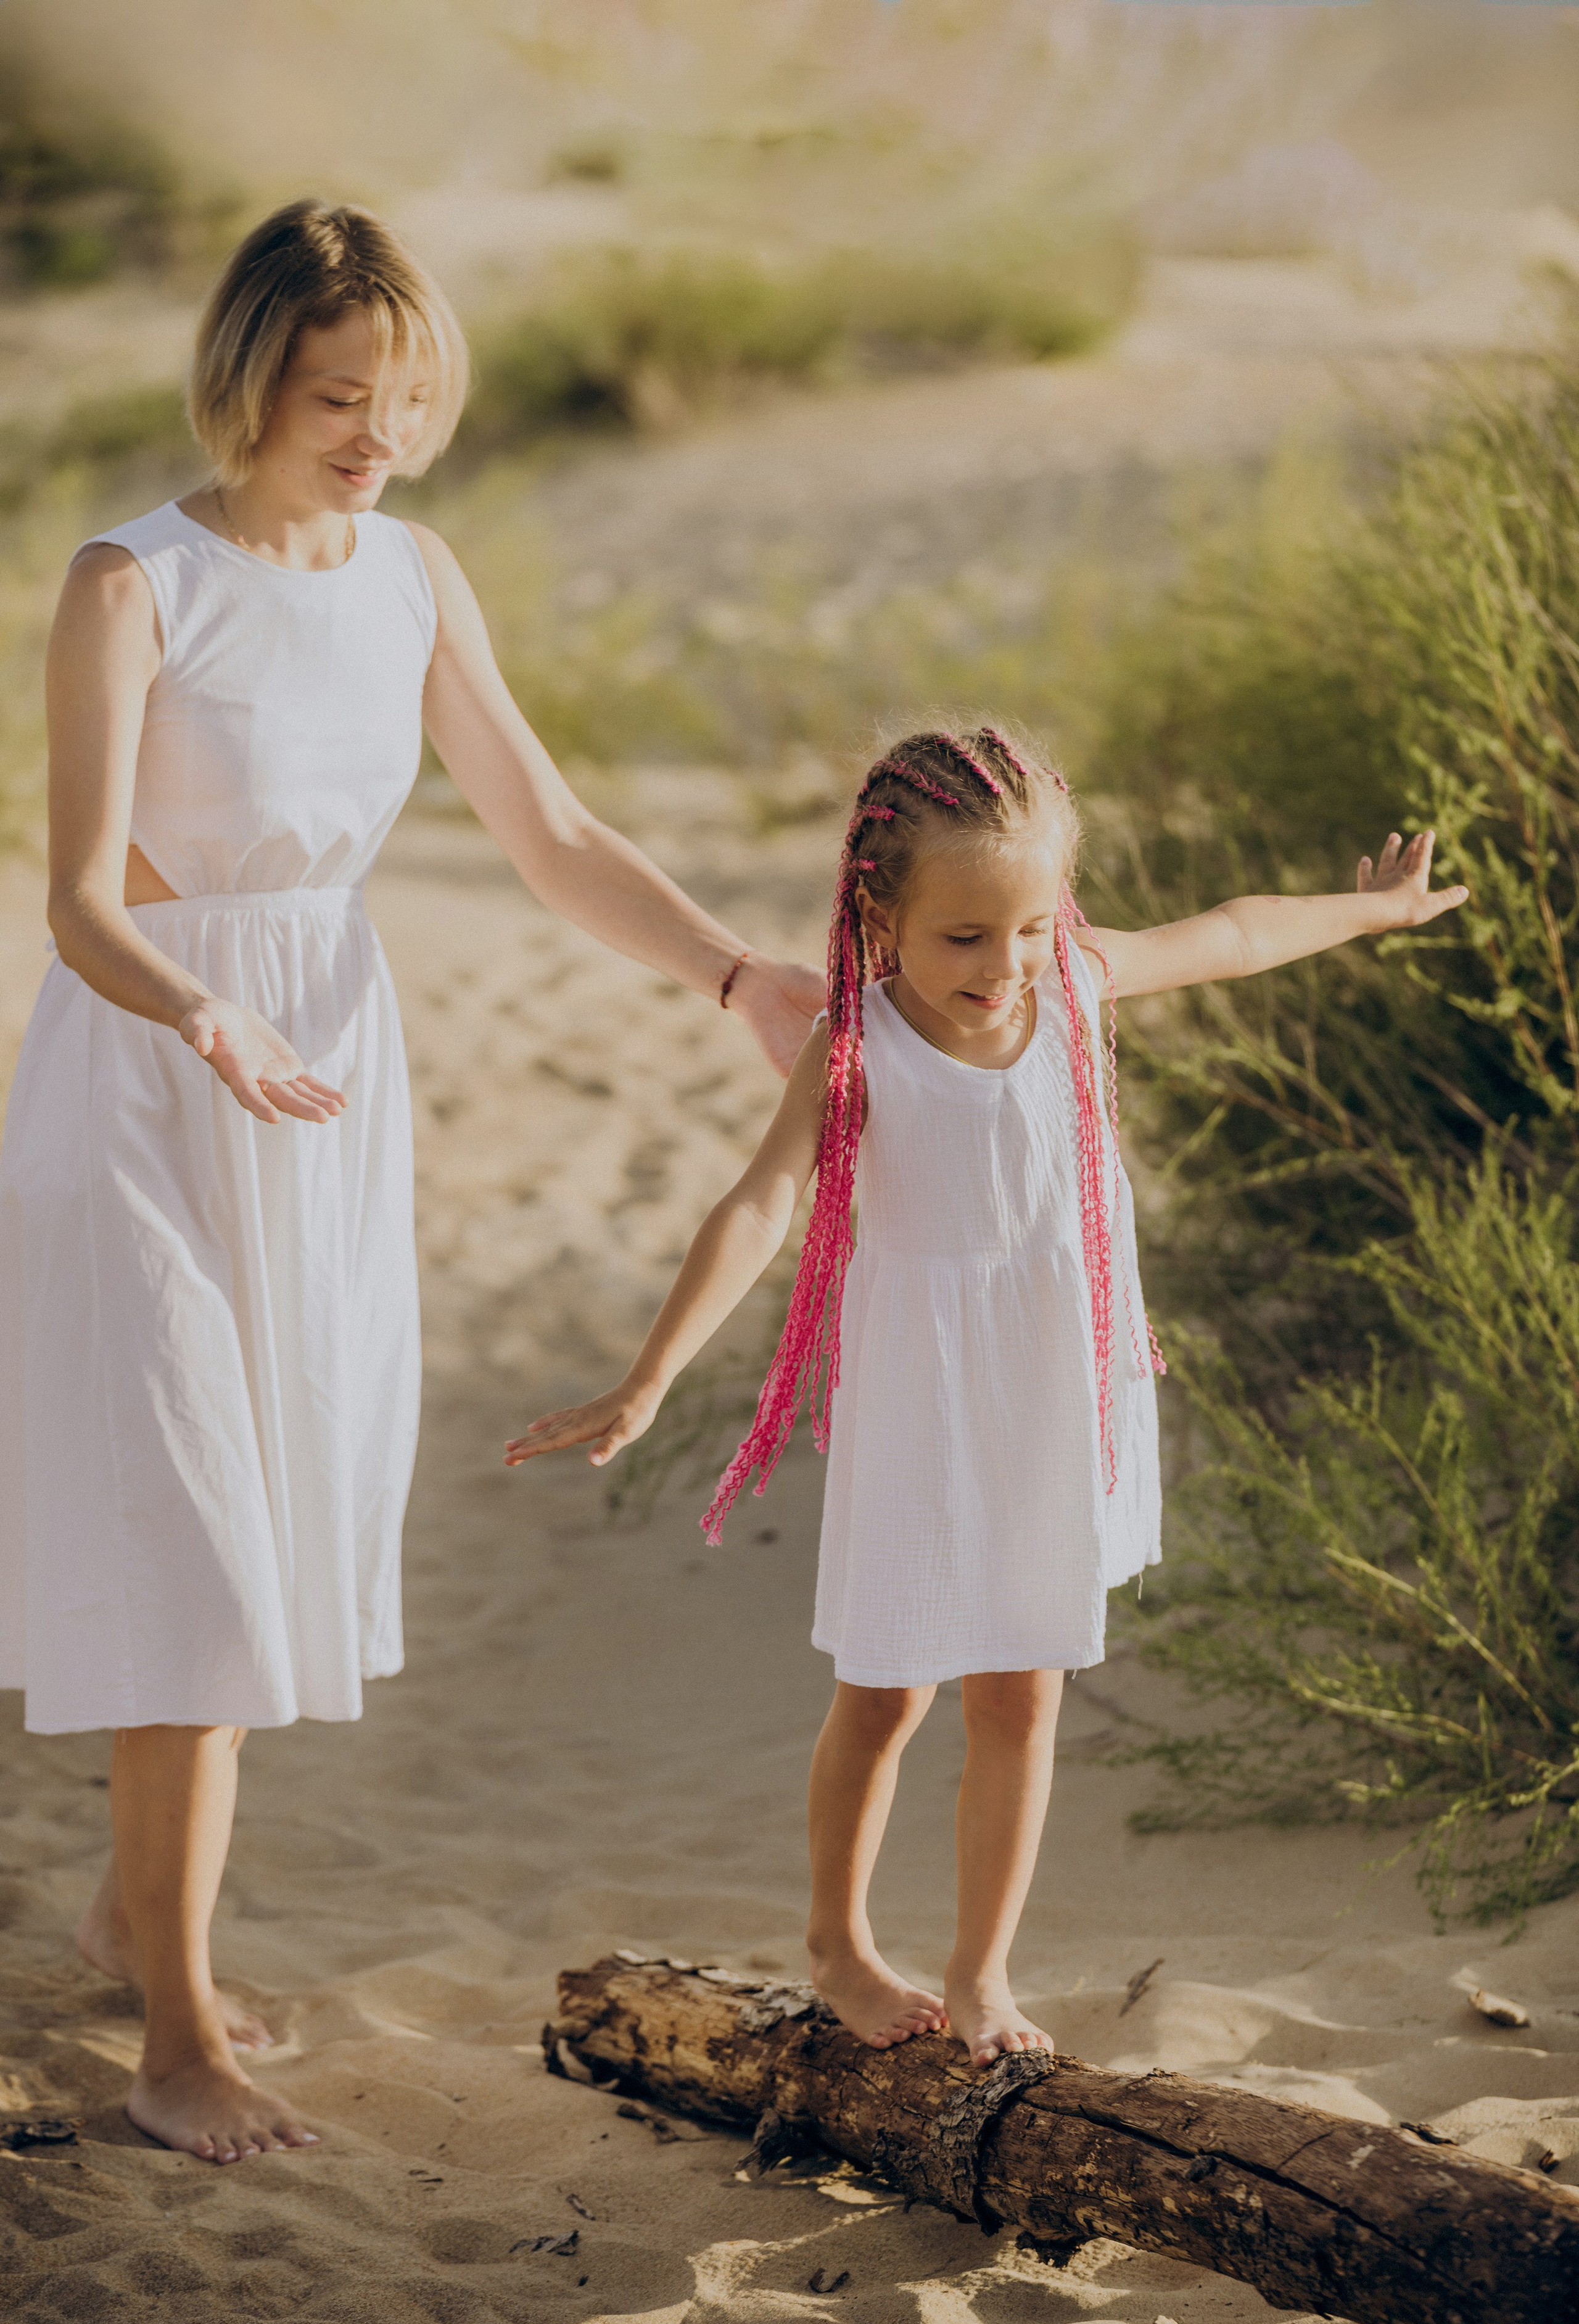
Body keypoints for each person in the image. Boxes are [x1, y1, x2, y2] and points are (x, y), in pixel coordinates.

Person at [0, 199, 821, 2166]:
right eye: (336, 393)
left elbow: (548, 830)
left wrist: (732, 972)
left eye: (407, 396)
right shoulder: (136, 584)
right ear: (252, 379)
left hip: (326, 1081)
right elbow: (83, 901)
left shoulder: (414, 578)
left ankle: (132, 1912)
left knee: (269, 1506)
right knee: (193, 1536)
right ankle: (178, 2040)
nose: (374, 432)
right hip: (150, 1076)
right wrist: (206, 1020)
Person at [506, 723, 1467, 2067]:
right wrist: (648, 1375)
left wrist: (1365, 912)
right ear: (878, 915)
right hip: (925, 1404)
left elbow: (1236, 933)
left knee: (1022, 1693)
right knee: (887, 1693)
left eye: (1024, 928)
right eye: (962, 938)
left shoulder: (1070, 981)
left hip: (1051, 1391)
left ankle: (980, 1976)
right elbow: (758, 1203)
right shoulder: (857, 1050)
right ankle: (839, 1943)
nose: (1000, 967)